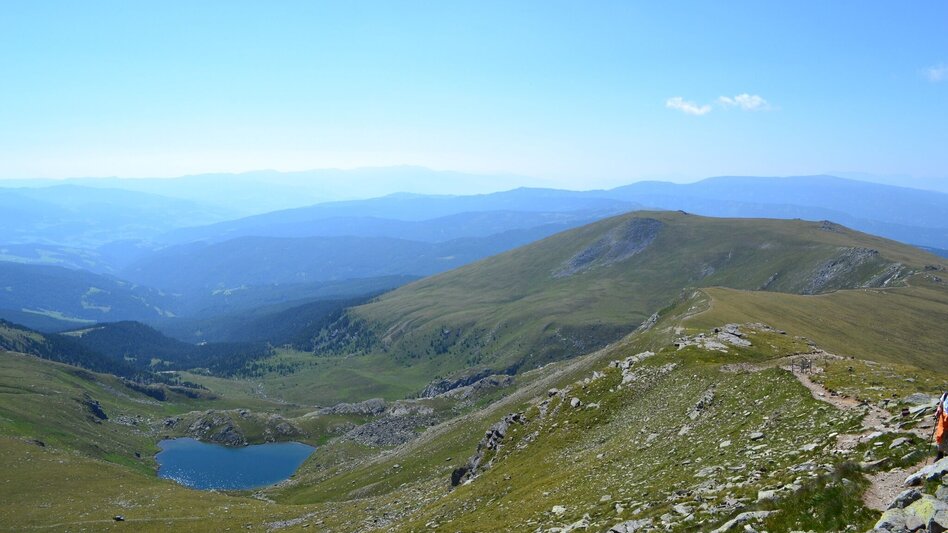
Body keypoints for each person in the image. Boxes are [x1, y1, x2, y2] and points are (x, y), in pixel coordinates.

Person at [936, 392, 948, 460]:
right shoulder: (945, 395)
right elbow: (940, 406)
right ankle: (940, 455)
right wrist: (938, 410)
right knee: (941, 436)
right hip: (943, 421)